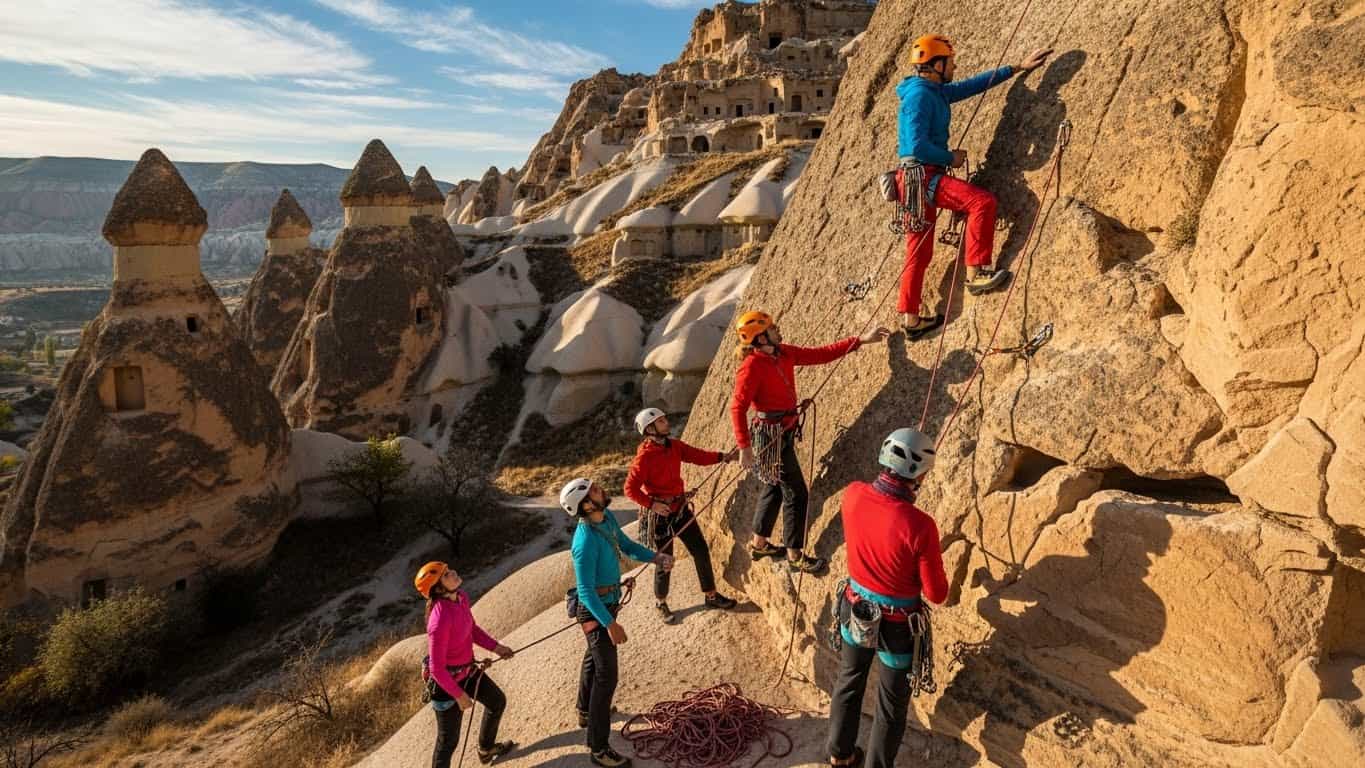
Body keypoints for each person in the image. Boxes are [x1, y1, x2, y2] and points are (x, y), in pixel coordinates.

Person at [895, 34, 1053, 339]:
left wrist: (1016, 68)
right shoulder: (920, 96)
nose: (955, 67)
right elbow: (914, 146)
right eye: (951, 62)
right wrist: (949, 156)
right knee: (981, 202)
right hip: (923, 176)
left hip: (915, 180)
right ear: (936, 64)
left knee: (918, 253)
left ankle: (911, 321)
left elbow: (970, 86)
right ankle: (976, 272)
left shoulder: (934, 91)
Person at [730, 310, 891, 574]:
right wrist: (744, 448)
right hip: (771, 436)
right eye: (773, 329)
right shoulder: (751, 367)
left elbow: (820, 354)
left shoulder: (783, 353)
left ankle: (759, 543)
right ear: (760, 339)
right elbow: (737, 408)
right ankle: (794, 555)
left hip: (783, 428)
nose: (778, 330)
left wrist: (860, 340)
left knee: (774, 484)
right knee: (796, 492)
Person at [826, 429, 949, 768]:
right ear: (919, 473)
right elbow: (937, 594)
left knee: (849, 681)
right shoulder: (920, 525)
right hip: (897, 627)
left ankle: (840, 755)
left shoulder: (851, 494)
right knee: (891, 704)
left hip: (855, 608)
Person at [562, 477, 673, 768]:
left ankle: (584, 711)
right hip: (595, 610)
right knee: (606, 674)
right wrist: (610, 624)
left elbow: (625, 545)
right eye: (594, 491)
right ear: (585, 505)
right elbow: (585, 591)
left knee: (592, 659)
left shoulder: (607, 517)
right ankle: (598, 749)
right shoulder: (584, 542)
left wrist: (656, 557)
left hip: (607, 601)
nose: (601, 490)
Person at [624, 407, 739, 624]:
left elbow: (697, 456)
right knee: (664, 561)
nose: (666, 423)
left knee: (701, 550)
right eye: (661, 421)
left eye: (665, 419)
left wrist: (724, 457)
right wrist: (652, 504)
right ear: (650, 429)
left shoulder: (674, 446)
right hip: (660, 517)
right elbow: (630, 489)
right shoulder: (644, 458)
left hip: (680, 509)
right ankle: (661, 602)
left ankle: (711, 595)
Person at [414, 561, 517, 767]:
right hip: (446, 685)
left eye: (450, 570)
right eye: (446, 575)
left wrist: (497, 648)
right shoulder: (439, 618)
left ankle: (486, 749)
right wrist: (459, 696)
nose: (453, 573)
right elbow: (436, 668)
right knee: (448, 742)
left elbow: (472, 629)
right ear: (439, 589)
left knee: (497, 701)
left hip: (467, 671)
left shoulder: (461, 598)